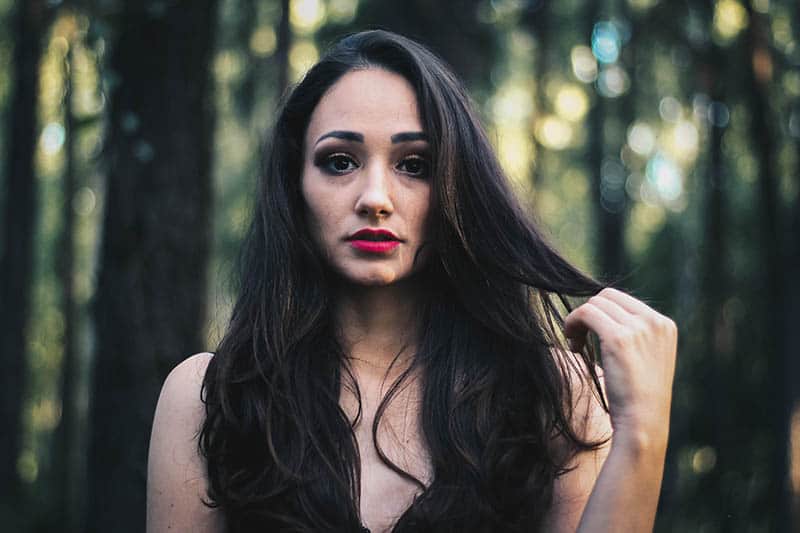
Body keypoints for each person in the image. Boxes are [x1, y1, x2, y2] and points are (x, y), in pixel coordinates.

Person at [146, 30, 677, 533]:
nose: (375, 197)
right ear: (294, 184)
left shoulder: (553, 397)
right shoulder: (206, 398)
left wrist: (643, 434)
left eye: (414, 164)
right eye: (339, 161)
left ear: (456, 187)